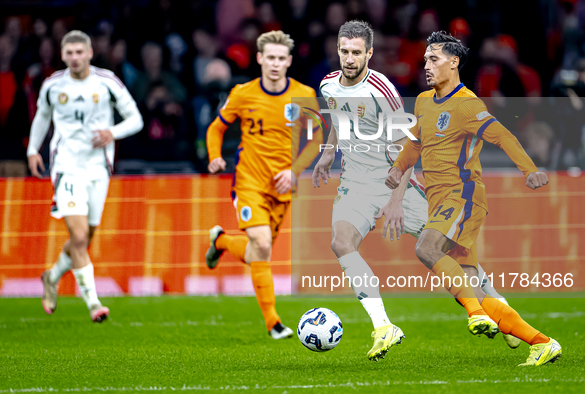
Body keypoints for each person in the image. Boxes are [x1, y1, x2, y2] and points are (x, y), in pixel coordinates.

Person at [312, 20, 519, 362]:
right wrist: (328, 151)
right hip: (355, 183)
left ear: (370, 54)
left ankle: (502, 313)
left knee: (451, 254)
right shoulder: (329, 85)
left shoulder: (383, 92)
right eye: (344, 52)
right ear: (338, 51)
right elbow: (339, 119)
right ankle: (383, 327)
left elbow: (408, 147)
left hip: (396, 182)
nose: (349, 59)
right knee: (340, 241)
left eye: (356, 53)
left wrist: (395, 202)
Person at [386, 31, 562, 366]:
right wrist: (398, 169)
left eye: (433, 59)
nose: (426, 65)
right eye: (425, 59)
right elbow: (415, 143)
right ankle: (542, 343)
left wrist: (528, 170)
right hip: (439, 201)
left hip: (463, 195)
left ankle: (476, 314)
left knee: (426, 247)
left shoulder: (468, 104)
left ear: (453, 63)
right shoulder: (423, 102)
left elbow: (504, 136)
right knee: (470, 286)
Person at [205, 30, 323, 339]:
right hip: (249, 181)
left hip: (282, 186)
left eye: (280, 59)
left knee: (260, 250)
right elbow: (216, 129)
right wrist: (215, 157)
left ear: (289, 61)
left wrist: (295, 171)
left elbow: (316, 140)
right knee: (262, 244)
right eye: (269, 58)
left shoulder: (304, 95)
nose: (274, 64)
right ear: (259, 59)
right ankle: (273, 323)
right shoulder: (243, 93)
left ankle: (221, 242)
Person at [27, 30, 143, 322]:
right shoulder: (53, 85)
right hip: (66, 165)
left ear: (90, 53)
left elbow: (135, 119)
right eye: (70, 53)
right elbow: (42, 116)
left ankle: (51, 277)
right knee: (78, 236)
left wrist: (111, 132)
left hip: (98, 168)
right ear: (62, 55)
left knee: (85, 238)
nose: (75, 58)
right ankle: (93, 304)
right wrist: (32, 149)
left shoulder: (106, 82)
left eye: (80, 52)